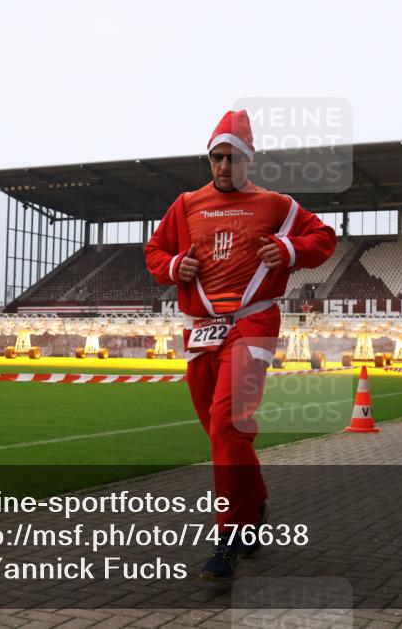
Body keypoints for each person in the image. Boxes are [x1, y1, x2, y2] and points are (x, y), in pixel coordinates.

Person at [144, 109, 336, 580]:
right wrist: (174, 269)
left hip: (252, 324)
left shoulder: (275, 204)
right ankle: (255, 502)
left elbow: (324, 237)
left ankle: (229, 535)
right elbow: (154, 252)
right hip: (200, 328)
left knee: (227, 422)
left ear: (248, 159)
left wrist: (290, 250)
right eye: (216, 158)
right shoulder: (186, 203)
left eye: (231, 158)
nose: (223, 167)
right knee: (218, 430)